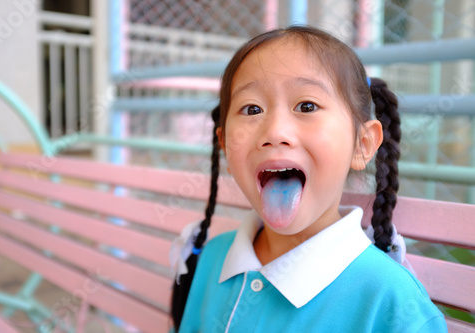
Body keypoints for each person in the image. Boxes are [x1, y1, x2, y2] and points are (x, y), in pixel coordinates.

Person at [170, 26, 447, 332]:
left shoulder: (392, 303)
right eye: (252, 109)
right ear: (224, 144)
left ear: (363, 144)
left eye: (307, 106)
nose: (274, 132)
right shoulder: (213, 257)